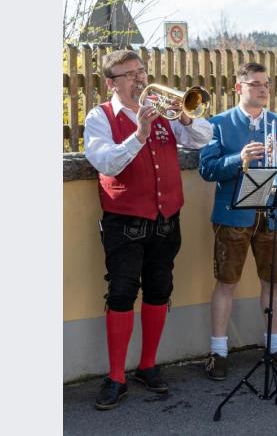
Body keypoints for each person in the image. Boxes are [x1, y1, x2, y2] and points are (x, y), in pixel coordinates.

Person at [83, 50, 213, 410]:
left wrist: (184, 116)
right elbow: (105, 161)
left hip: (166, 217)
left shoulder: (162, 112)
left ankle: (148, 365)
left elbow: (203, 139)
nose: (140, 79)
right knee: (122, 293)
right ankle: (115, 377)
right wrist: (140, 132)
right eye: (130, 74)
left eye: (141, 72)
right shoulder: (100, 117)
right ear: (111, 82)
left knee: (160, 288)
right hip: (124, 221)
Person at [199, 62, 277, 380]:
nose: (263, 89)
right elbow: (207, 169)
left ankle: (274, 345)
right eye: (256, 84)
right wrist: (239, 159)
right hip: (234, 214)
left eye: (267, 84)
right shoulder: (216, 124)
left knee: (273, 281)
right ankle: (218, 351)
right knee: (227, 282)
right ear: (239, 88)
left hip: (274, 214)